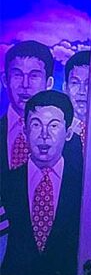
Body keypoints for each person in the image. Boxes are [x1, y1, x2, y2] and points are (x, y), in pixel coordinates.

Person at [1, 90, 83, 275]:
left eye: (53, 126)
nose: (44, 135)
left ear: (69, 132)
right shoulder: (4, 184)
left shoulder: (83, 186)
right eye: (36, 125)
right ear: (25, 131)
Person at [1, 41, 54, 183]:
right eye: (17, 75)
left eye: (34, 76)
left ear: (49, 83)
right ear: (5, 80)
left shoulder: (66, 137)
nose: (25, 85)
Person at [62, 49, 91, 148]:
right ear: (65, 88)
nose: (82, 91)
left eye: (88, 83)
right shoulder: (57, 131)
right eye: (75, 83)